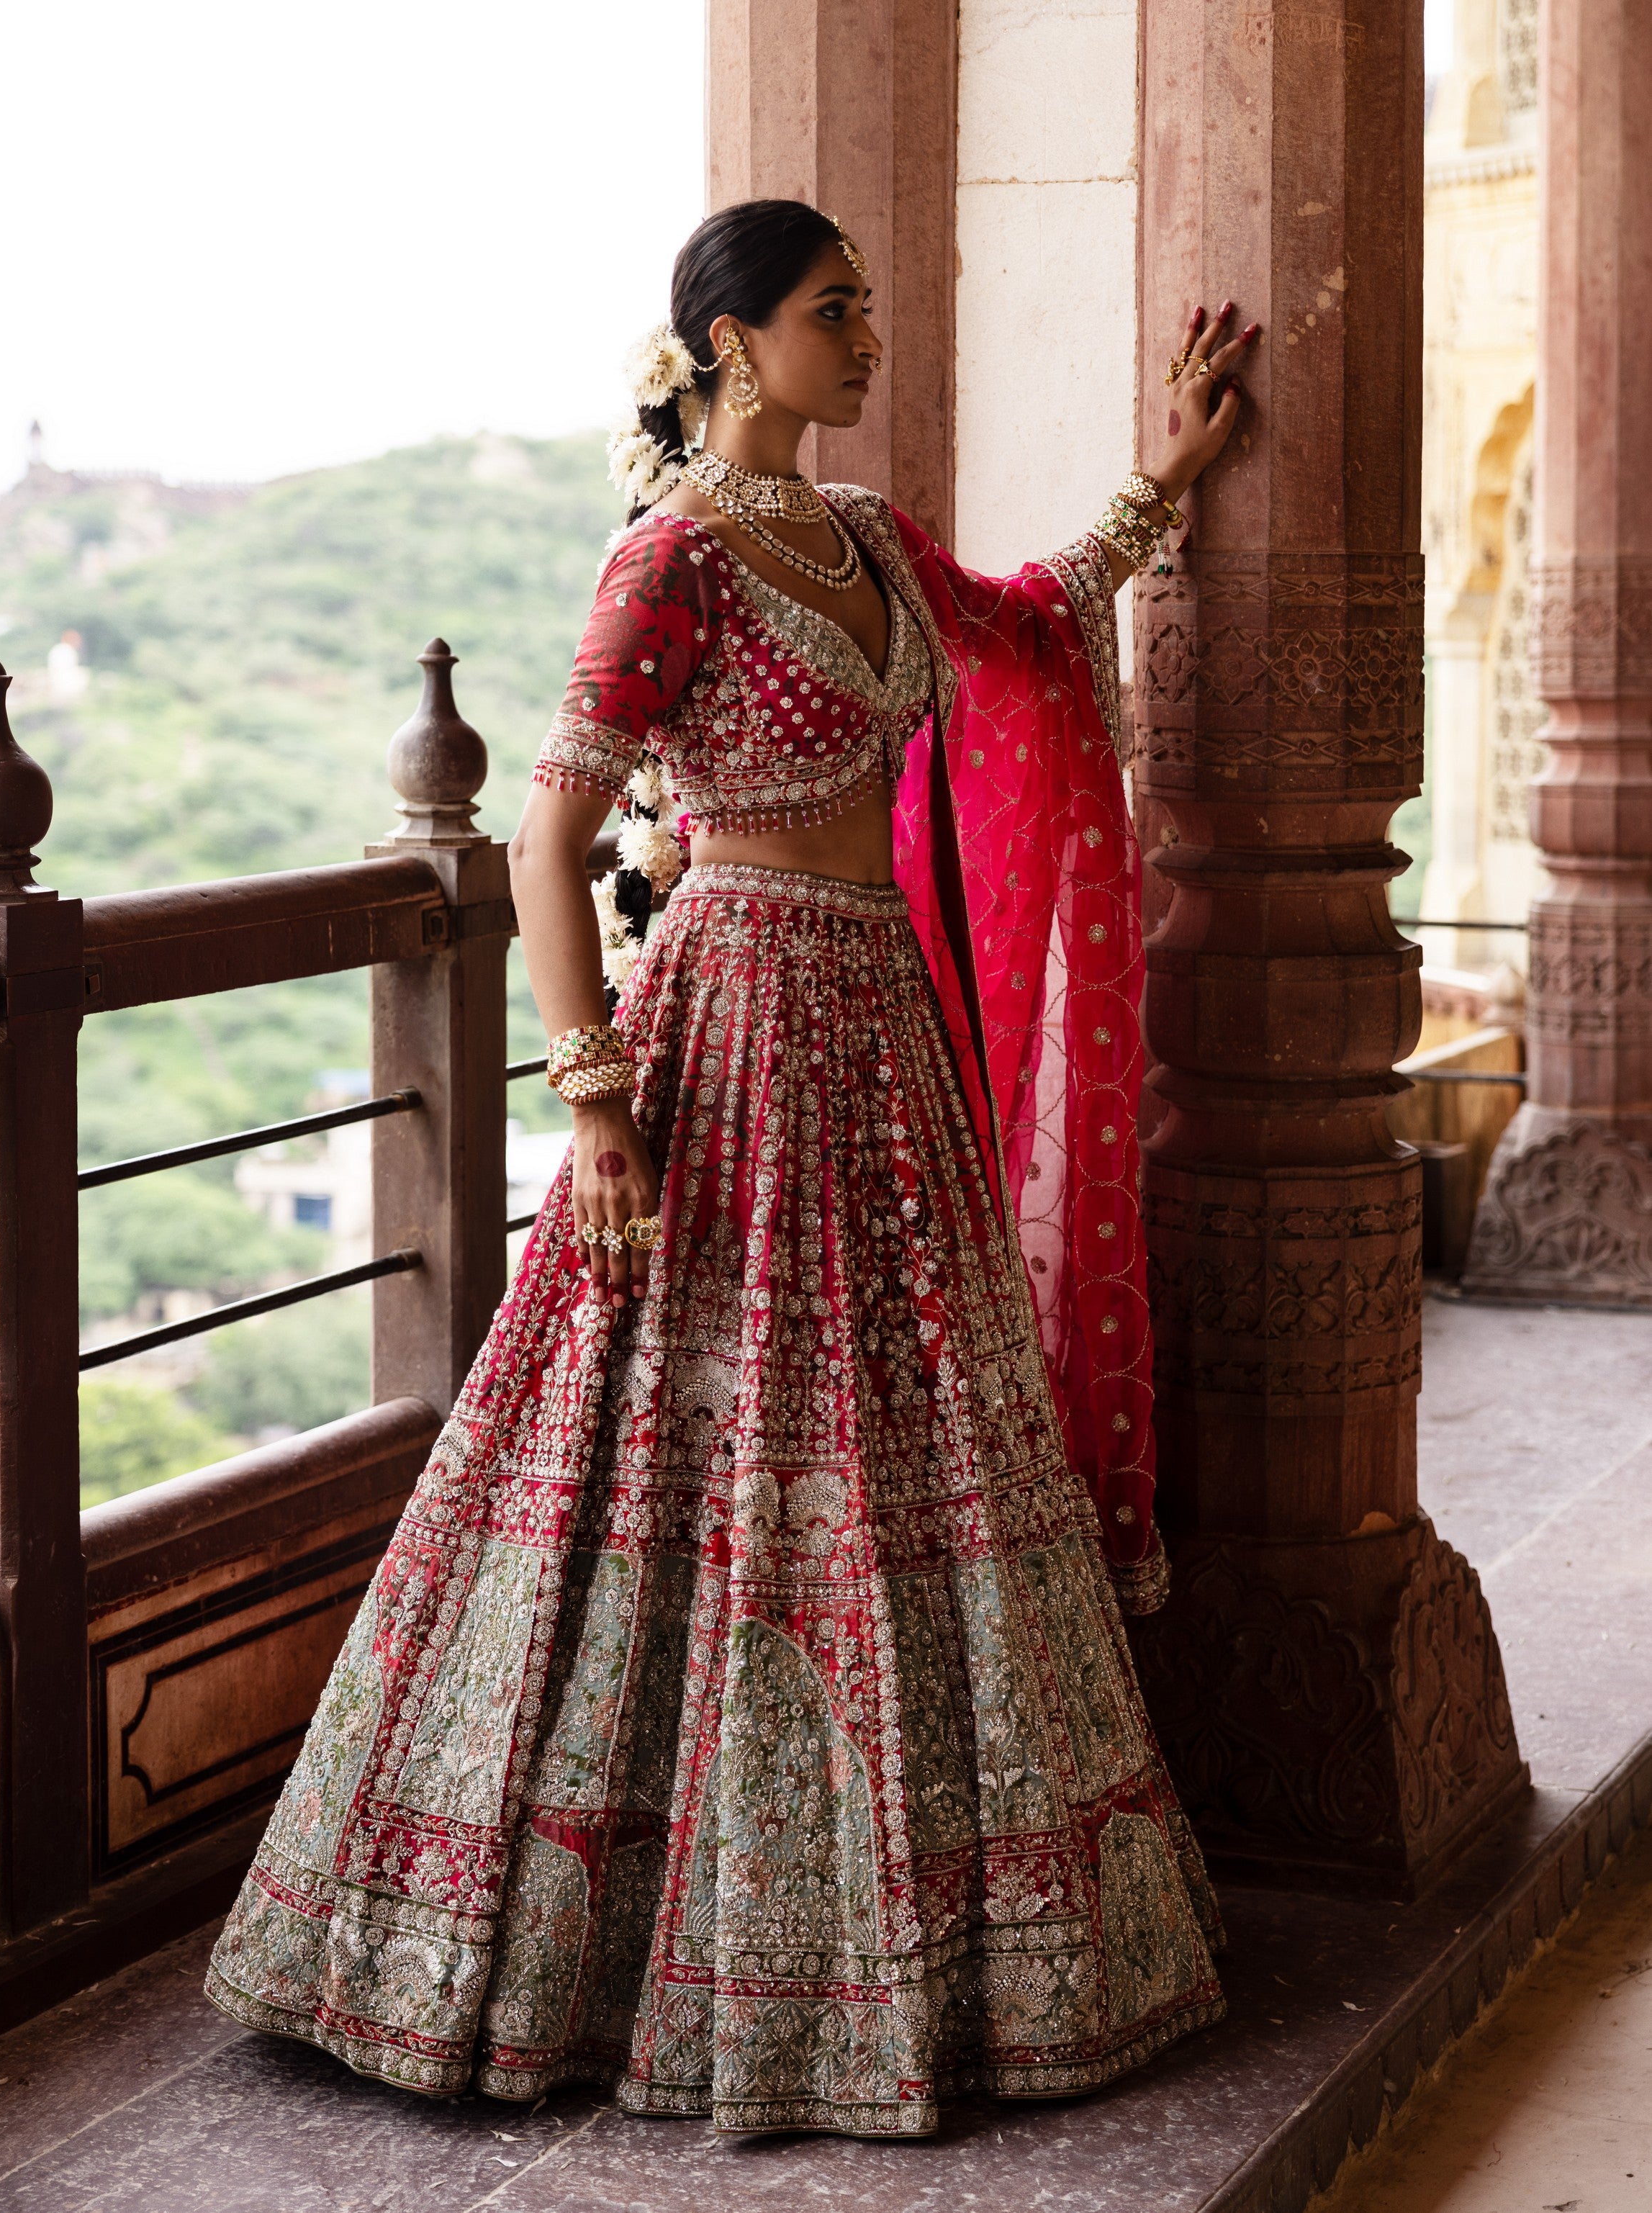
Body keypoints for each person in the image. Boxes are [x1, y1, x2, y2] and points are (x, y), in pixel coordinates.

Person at [207, 199, 1258, 2139]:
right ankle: (582, 1938)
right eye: (830, 313)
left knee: (896, 1435)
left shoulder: (856, 537)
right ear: (724, 341)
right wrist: (594, 1101)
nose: (865, 339)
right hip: (731, 1027)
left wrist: (1164, 482)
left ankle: (923, 1932)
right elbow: (545, 836)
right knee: (673, 1447)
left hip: (878, 1026)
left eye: (864, 306)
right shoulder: (669, 554)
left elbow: (1025, 619)